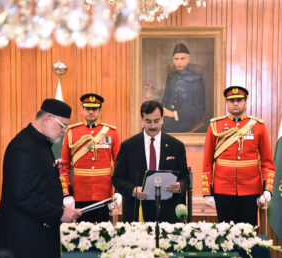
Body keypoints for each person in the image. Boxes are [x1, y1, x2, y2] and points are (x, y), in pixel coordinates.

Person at [0, 99, 82, 258]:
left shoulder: (40, 144)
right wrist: (59, 213)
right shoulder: (24, 146)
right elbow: (22, 196)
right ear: (47, 119)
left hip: (36, 236)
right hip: (23, 240)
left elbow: (41, 189)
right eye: (63, 126)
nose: (64, 131)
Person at [202, 86, 276, 225]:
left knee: (249, 236)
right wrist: (207, 192)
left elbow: (267, 162)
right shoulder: (215, 126)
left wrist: (268, 189)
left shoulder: (258, 126)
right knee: (225, 237)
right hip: (222, 190)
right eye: (232, 100)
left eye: (239, 100)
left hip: (251, 190)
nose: (235, 103)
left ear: (245, 101)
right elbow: (207, 162)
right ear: (226, 102)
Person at [112, 100, 189, 223]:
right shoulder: (128, 146)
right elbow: (117, 178)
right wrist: (133, 190)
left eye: (156, 121)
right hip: (137, 212)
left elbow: (186, 177)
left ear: (162, 119)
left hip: (168, 213)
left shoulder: (176, 146)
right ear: (142, 120)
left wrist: (179, 186)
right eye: (148, 122)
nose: (153, 126)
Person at [60, 93, 121, 222]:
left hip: (104, 194)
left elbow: (119, 166)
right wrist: (67, 193)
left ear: (100, 111)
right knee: (80, 235)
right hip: (79, 194)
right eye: (88, 108)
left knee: (104, 234)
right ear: (82, 110)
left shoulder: (111, 132)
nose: (91, 112)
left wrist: (117, 191)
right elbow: (64, 166)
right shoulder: (71, 132)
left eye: (95, 109)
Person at [162, 43, 205, 133]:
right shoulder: (171, 77)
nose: (179, 62)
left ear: (188, 60)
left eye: (182, 58)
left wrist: (173, 114)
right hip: (166, 121)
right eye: (176, 59)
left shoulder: (196, 79)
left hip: (185, 122)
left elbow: (198, 110)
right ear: (173, 60)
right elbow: (165, 101)